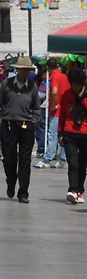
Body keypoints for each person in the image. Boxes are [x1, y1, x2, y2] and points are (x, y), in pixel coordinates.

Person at [0, 55, 41, 202]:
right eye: (22, 70)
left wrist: (33, 122)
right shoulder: (7, 84)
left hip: (26, 125)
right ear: (17, 70)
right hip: (9, 125)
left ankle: (23, 192)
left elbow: (36, 108)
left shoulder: (32, 87)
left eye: (27, 70)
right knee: (9, 159)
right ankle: (11, 181)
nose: (25, 72)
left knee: (25, 160)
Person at [57, 66, 87, 204]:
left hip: (85, 134)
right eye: (73, 85)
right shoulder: (66, 95)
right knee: (73, 163)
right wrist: (60, 133)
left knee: (82, 164)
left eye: (78, 85)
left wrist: (82, 97)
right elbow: (62, 115)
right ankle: (73, 190)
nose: (75, 88)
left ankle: (80, 190)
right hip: (70, 133)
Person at [38, 57, 70, 169]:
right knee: (64, 135)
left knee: (53, 136)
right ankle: (64, 160)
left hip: (57, 111)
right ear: (57, 65)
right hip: (66, 110)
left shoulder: (54, 77)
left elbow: (54, 92)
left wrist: (53, 105)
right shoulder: (65, 77)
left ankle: (47, 159)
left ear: (47, 67)